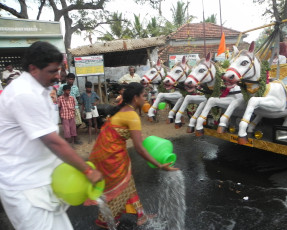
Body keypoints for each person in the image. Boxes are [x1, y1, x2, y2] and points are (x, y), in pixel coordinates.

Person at [0, 41, 103, 230]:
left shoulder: (41, 89)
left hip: (43, 179)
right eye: (52, 71)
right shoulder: (23, 93)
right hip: (25, 186)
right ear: (33, 69)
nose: (58, 75)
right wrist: (87, 171)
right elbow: (53, 142)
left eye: (58, 70)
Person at [88, 82, 178, 229]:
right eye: (143, 96)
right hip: (113, 158)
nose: (145, 99)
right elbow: (139, 148)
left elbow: (139, 142)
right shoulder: (132, 115)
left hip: (109, 154)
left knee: (128, 183)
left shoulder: (122, 109)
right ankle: (103, 221)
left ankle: (140, 215)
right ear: (135, 98)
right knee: (118, 188)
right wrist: (159, 165)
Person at [57, 73, 83, 143]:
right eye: (70, 79)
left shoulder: (75, 88)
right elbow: (59, 95)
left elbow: (77, 97)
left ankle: (74, 135)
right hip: (65, 108)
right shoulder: (62, 86)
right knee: (67, 125)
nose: (71, 81)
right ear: (67, 79)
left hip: (74, 107)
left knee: (78, 123)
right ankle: (71, 137)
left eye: (72, 79)